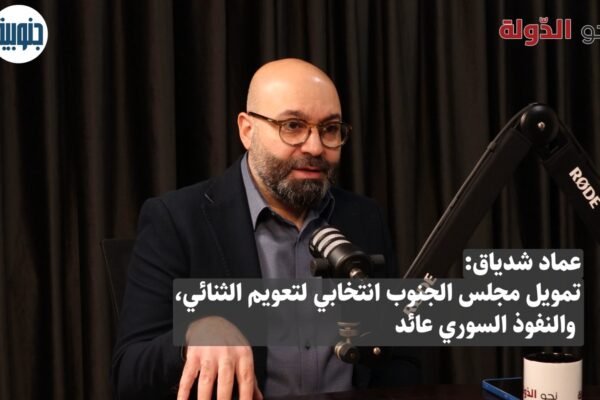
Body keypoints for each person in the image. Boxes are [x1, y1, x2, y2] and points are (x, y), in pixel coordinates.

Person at [112, 58, 420, 400]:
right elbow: (129, 373)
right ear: (247, 130)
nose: (315, 147)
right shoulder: (177, 220)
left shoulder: (364, 217)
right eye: (293, 125)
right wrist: (192, 335)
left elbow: (398, 357)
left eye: (330, 129)